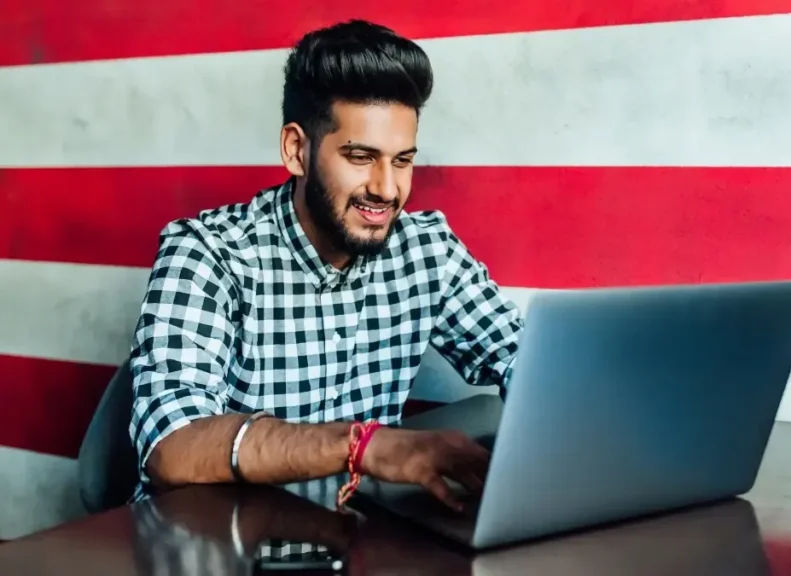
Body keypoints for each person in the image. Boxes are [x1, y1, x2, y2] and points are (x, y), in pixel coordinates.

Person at [128, 20, 523, 513]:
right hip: (215, 543)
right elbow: (172, 445)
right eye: (361, 157)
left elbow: (524, 360)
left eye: (402, 161)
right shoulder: (208, 252)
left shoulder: (429, 250)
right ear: (297, 149)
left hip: (354, 538)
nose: (386, 188)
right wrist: (362, 445)